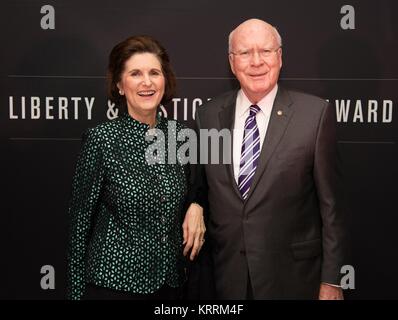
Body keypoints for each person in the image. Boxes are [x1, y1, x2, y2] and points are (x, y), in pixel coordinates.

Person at [194, 18, 348, 299]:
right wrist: (194, 204)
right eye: (244, 53)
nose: (256, 62)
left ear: (279, 57)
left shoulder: (314, 116)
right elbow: (204, 187)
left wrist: (332, 280)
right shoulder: (208, 116)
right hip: (227, 278)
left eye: (265, 51)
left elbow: (332, 207)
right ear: (232, 62)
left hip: (294, 279)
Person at [67, 35, 206, 300]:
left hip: (172, 285)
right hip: (115, 283)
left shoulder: (180, 137)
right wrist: (76, 294)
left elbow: (198, 188)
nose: (147, 82)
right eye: (135, 73)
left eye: (155, 72)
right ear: (120, 85)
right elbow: (79, 223)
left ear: (165, 81)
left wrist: (197, 205)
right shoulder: (102, 139)